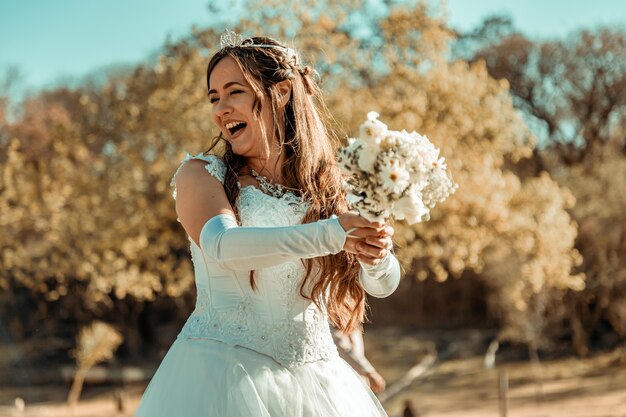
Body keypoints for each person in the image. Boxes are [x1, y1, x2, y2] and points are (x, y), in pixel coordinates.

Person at [134, 31, 401, 417]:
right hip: (222, 374)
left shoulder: (331, 188)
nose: (220, 109)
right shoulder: (201, 175)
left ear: (281, 92)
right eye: (214, 97)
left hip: (320, 383)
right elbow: (226, 247)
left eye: (234, 92)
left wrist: (377, 257)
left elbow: (381, 285)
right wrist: (334, 233)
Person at [331, 325, 387, 394]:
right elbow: (343, 347)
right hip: (344, 378)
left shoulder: (355, 323)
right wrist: (370, 372)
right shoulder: (335, 322)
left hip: (359, 377)